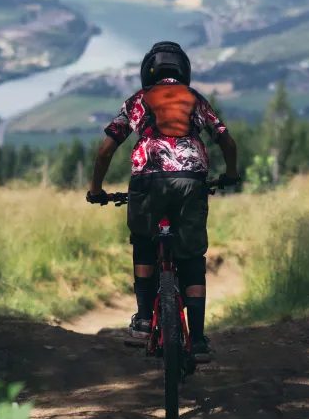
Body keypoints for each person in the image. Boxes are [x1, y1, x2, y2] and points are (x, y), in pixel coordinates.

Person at [86, 41, 239, 362]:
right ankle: (197, 340)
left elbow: (105, 151)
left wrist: (96, 189)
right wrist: (230, 175)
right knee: (192, 256)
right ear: (184, 70)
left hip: (147, 179)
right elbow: (227, 142)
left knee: (144, 241)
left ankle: (144, 321)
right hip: (192, 181)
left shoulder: (138, 100)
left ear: (148, 71)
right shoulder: (195, 99)